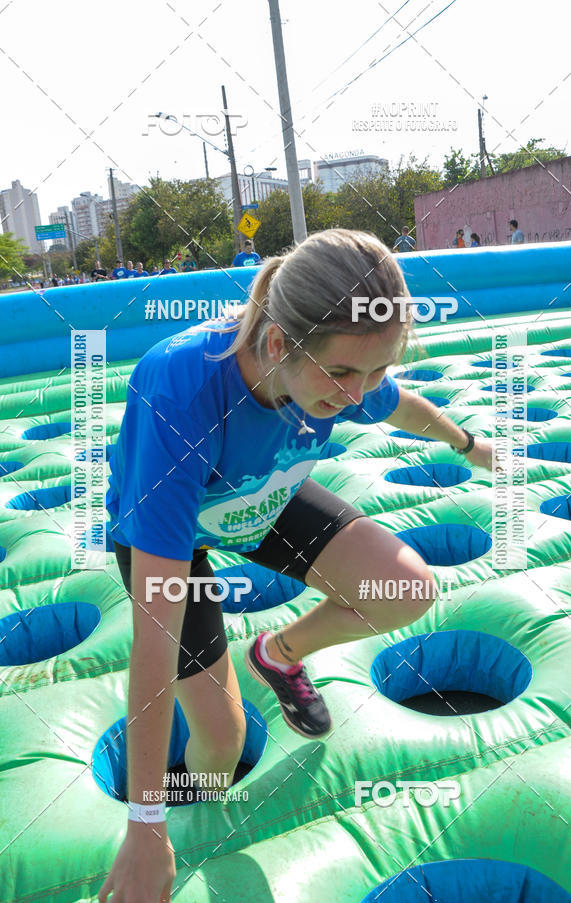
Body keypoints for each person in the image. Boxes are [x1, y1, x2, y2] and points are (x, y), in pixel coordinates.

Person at [99, 228, 493, 903]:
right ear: (279, 344)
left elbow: (397, 402)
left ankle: (277, 654)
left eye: (375, 369)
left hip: (264, 494)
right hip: (180, 529)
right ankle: (189, 820)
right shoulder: (180, 389)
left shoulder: (349, 363)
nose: (358, 392)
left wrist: (467, 442)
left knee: (407, 588)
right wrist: (144, 822)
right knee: (220, 746)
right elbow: (156, 631)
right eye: (343, 375)